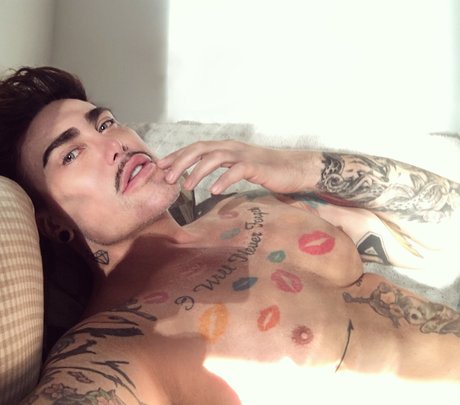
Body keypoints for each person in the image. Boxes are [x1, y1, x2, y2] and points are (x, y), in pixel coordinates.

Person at [1, 66, 459, 405]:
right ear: (52, 224)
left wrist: (298, 166)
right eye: (72, 153)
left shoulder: (257, 206)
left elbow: (449, 228)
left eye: (105, 123)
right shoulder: (113, 345)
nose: (114, 143)